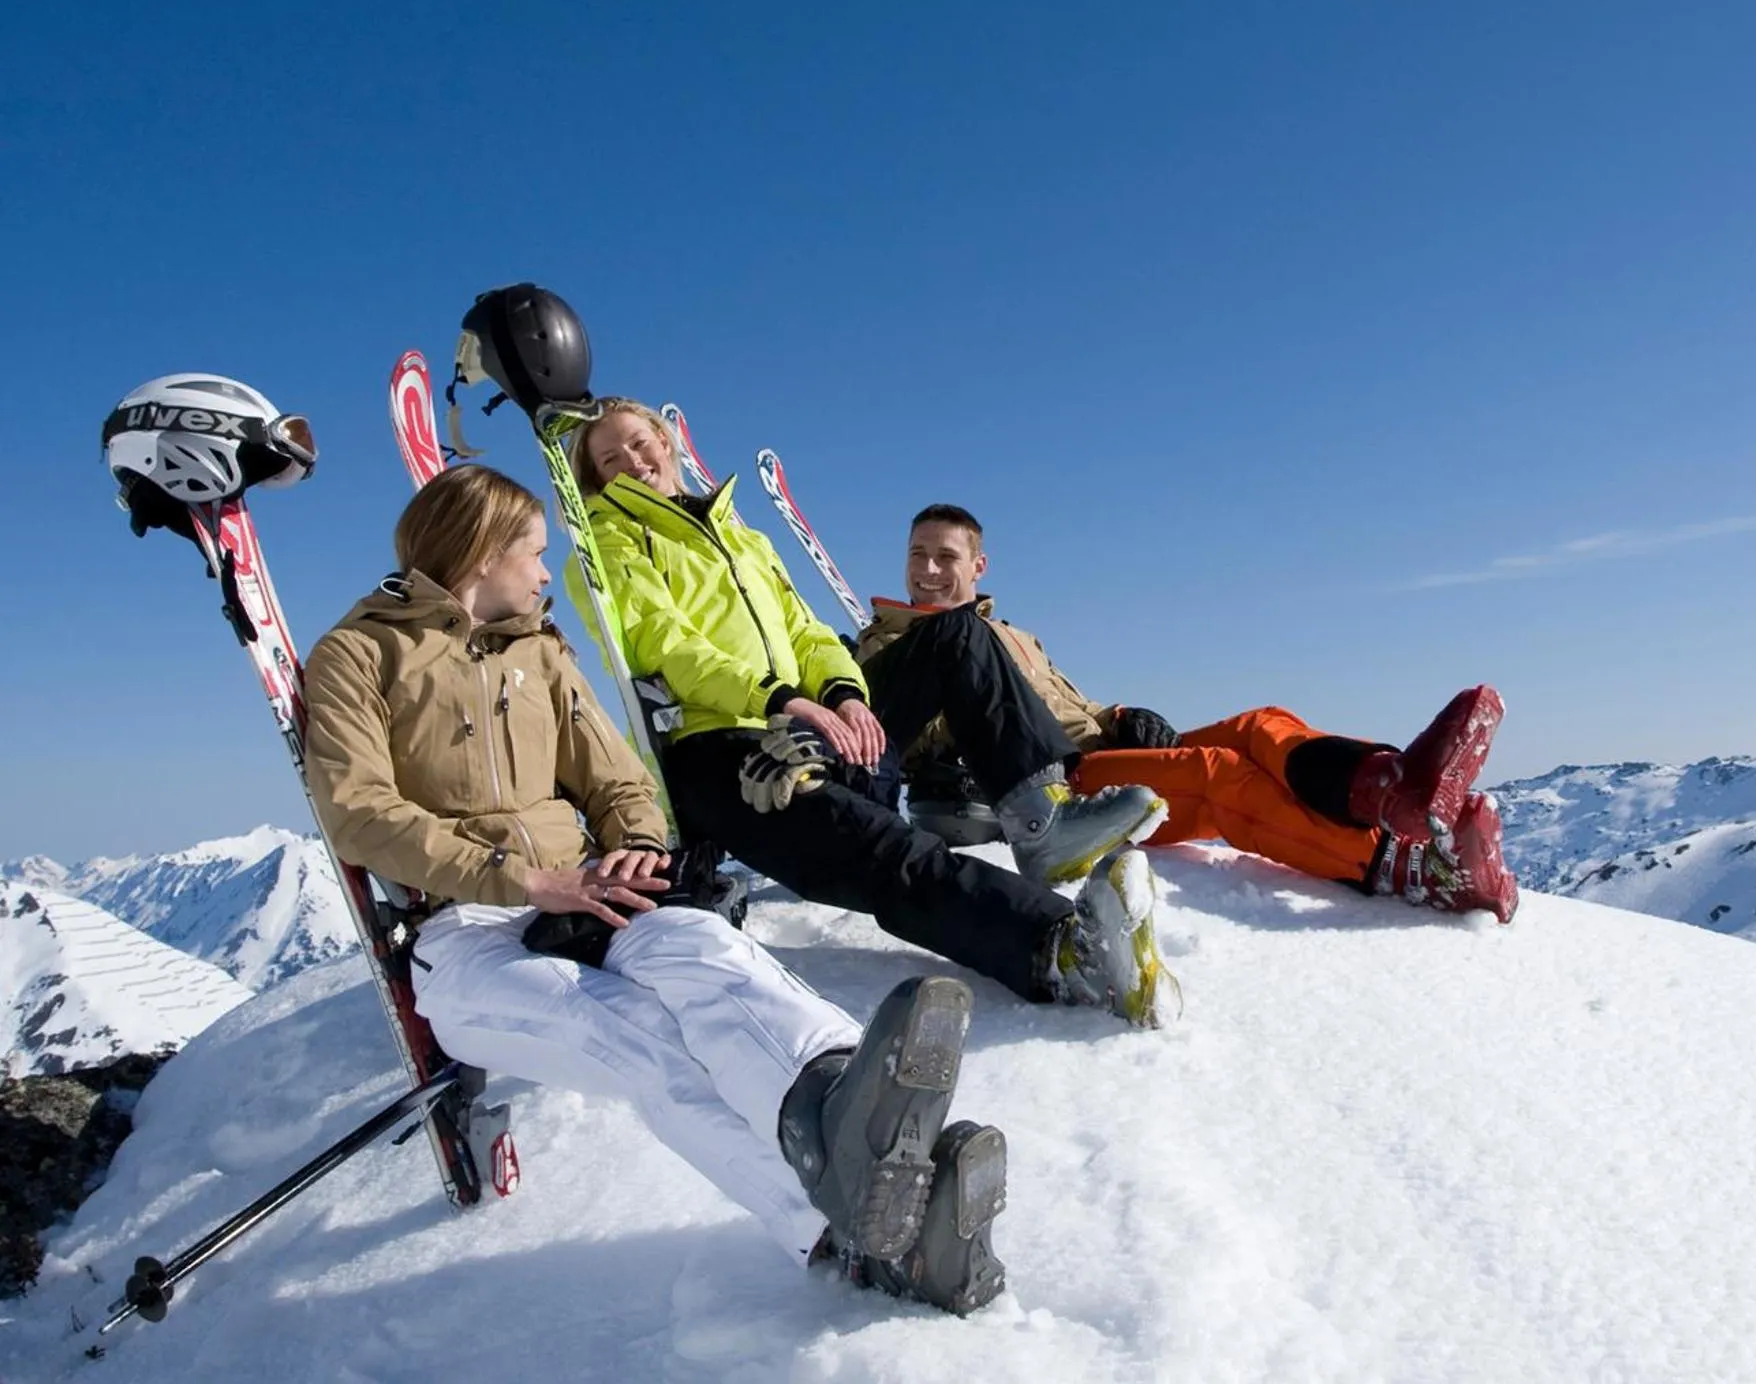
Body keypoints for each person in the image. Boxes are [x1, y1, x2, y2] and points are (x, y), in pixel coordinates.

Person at [300, 463, 1007, 1314]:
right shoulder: (360, 654)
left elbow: (620, 781)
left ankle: (853, 1101)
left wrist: (635, 845)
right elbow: (359, 814)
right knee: (637, 1035)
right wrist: (524, 878)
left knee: (714, 957)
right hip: (463, 928)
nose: (544, 571)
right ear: (483, 552)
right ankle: (848, 1239)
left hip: (589, 893)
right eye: (534, 551)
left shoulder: (539, 654)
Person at [557, 394, 1182, 1028]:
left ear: (664, 443)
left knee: (956, 633)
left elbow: (807, 632)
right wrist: (780, 699)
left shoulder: (740, 536)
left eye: (640, 443)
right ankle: (1062, 950)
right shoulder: (605, 543)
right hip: (726, 749)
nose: (632, 461)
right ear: (596, 479)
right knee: (886, 850)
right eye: (610, 459)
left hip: (808, 725)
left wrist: (844, 695)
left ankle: (1041, 823)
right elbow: (667, 646)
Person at [856, 504, 1519, 923]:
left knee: (1260, 723)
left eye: (946, 556)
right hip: (1053, 783)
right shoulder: (892, 646)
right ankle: (1409, 869)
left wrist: (1120, 713)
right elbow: (909, 739)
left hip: (1100, 750)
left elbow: (1075, 709)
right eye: (918, 554)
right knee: (1216, 774)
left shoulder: (1011, 636)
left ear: (978, 565)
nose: (929, 570)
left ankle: (1388, 790)